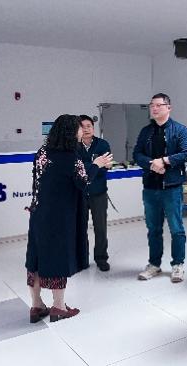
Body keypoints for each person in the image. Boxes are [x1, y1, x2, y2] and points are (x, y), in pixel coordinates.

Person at [25, 114, 112, 323]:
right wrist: (97, 164)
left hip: (39, 213)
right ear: (71, 132)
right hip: (59, 217)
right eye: (79, 128)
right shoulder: (71, 156)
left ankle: (36, 305)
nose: (82, 131)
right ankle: (59, 307)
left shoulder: (42, 152)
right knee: (58, 258)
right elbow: (83, 181)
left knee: (35, 259)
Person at [133, 93, 187, 283]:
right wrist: (152, 164)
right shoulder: (146, 131)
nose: (154, 108)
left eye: (159, 105)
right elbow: (136, 154)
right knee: (153, 229)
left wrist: (165, 161)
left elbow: (186, 153)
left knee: (176, 228)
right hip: (151, 187)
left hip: (172, 188)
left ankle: (178, 265)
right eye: (152, 105)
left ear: (169, 107)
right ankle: (154, 264)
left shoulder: (180, 130)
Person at [78, 115, 112, 271]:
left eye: (89, 126)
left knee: (101, 228)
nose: (86, 129)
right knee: (80, 228)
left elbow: (106, 167)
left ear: (93, 128)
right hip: (79, 194)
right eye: (83, 126)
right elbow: (75, 169)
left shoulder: (102, 144)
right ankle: (81, 259)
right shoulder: (73, 146)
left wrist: (91, 167)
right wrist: (95, 164)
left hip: (99, 193)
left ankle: (101, 258)